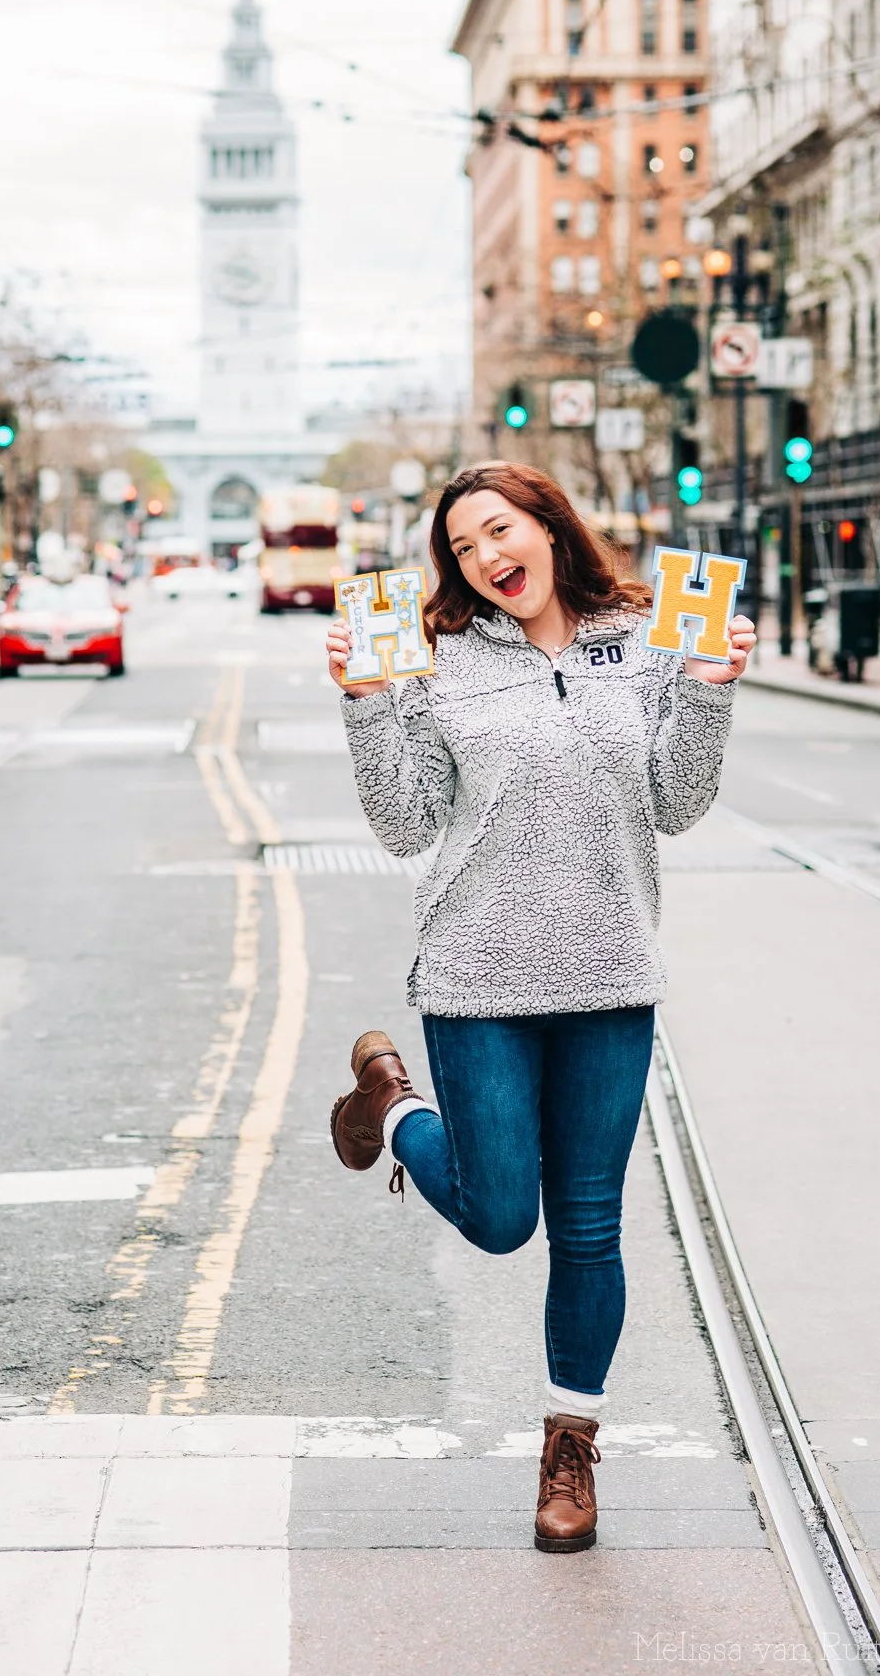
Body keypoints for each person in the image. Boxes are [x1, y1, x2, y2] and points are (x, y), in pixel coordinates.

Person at [325, 462, 754, 1554]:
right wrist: (367, 705)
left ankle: (569, 1449)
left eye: (497, 531)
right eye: (462, 548)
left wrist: (707, 683)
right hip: (475, 979)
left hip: (610, 977)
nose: (483, 558)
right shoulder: (430, 654)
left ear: (549, 528)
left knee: (589, 1227)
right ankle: (397, 1107)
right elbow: (405, 823)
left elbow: (677, 800)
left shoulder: (652, 632)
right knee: (501, 1212)